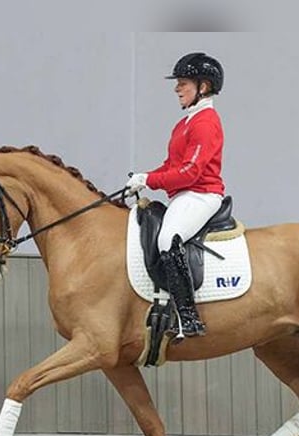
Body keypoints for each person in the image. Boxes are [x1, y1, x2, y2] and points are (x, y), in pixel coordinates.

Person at [126, 52, 225, 339]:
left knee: (168, 239)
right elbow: (172, 167)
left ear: (203, 87)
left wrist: (150, 180)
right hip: (185, 196)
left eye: (183, 83)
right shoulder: (184, 123)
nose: (177, 88)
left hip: (202, 194)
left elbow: (190, 172)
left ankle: (189, 317)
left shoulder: (205, 122)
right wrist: (143, 178)